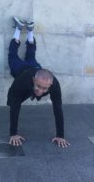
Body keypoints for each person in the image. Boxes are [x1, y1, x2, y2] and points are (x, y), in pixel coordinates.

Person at [7, 17, 70, 148]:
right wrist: (13, 133)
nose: (40, 91)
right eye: (38, 86)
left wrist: (60, 135)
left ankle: (30, 31)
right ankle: (19, 29)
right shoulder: (22, 82)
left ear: (51, 85)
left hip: (35, 67)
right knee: (13, 55)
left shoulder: (54, 85)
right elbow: (15, 103)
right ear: (33, 80)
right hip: (20, 70)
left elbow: (58, 109)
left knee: (31, 56)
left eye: (45, 88)